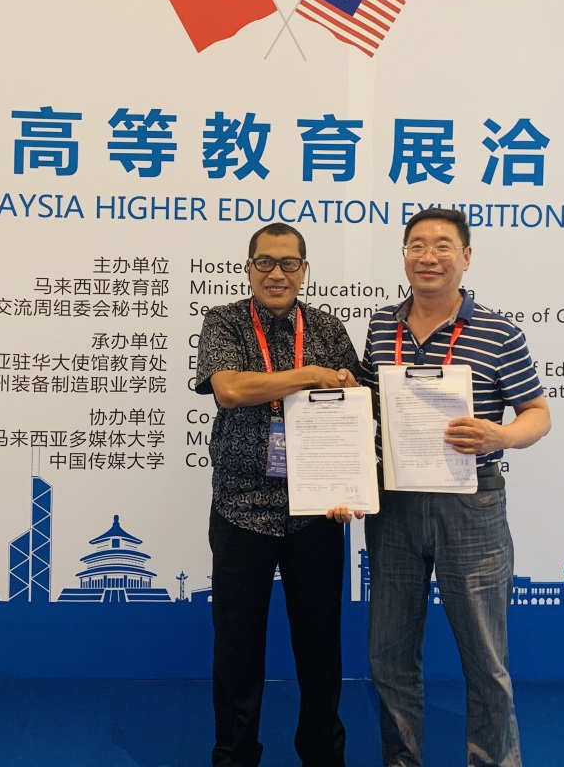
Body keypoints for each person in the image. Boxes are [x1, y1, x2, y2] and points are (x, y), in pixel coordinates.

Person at [361, 208, 551, 767]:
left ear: (465, 258)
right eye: (417, 245)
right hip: (394, 505)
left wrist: (501, 434)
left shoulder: (498, 331)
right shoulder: (381, 326)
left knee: (485, 659)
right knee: (390, 656)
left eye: (443, 246)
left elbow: (538, 413)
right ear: (404, 256)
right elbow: (366, 410)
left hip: (471, 505)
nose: (429, 256)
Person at [195, 222, 363, 767]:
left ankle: (321, 755)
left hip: (317, 511)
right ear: (248, 269)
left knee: (320, 647)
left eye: (289, 263)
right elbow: (230, 389)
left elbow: (355, 401)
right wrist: (309, 374)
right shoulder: (224, 321)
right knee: (237, 647)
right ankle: (235, 755)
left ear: (304, 270)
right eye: (264, 262)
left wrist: (350, 481)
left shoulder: (328, 328)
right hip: (241, 508)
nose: (276, 273)